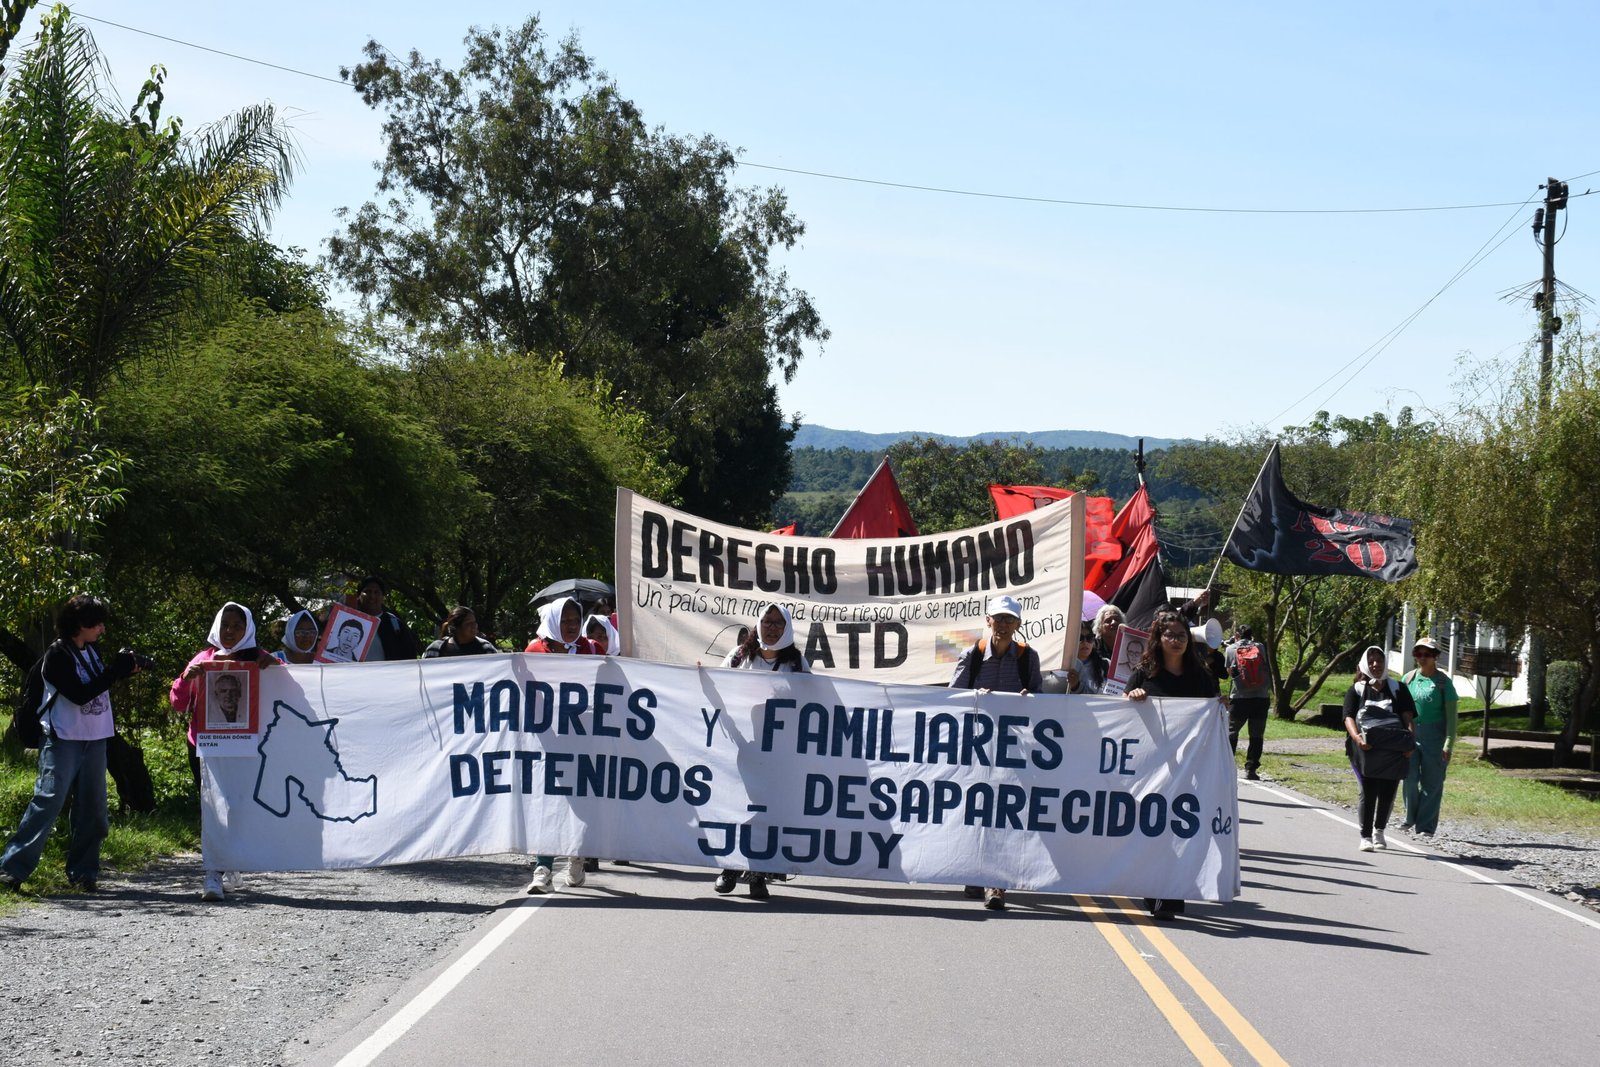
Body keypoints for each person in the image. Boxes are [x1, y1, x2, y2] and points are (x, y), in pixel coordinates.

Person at [1, 595, 143, 894]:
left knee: (93, 810)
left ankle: (83, 872)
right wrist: (114, 671)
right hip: (63, 739)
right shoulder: (57, 655)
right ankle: (11, 870)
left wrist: (122, 670)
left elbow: (97, 686)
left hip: (95, 739)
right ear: (81, 624)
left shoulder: (90, 650)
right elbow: (80, 694)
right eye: (98, 624)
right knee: (48, 802)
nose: (102, 630)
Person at [171, 601, 279, 901]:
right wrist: (186, 678)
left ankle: (231, 860)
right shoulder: (204, 659)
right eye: (226, 625)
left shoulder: (260, 659)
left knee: (241, 806)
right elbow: (178, 703)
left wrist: (276, 669)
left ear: (248, 629)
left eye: (237, 626)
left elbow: (289, 693)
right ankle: (213, 874)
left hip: (247, 750)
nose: (230, 632)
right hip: (206, 748)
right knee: (213, 809)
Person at [1124, 608, 1222, 920]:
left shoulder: (1200, 677)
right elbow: (1121, 710)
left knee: (1178, 830)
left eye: (1181, 635)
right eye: (1170, 635)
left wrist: (1221, 706)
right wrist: (1133, 696)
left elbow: (1213, 709)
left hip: (1188, 767)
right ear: (1159, 638)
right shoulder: (1144, 672)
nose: (1176, 640)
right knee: (1152, 830)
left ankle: (1169, 896)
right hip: (1151, 765)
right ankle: (1152, 889)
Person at [949, 594, 1042, 911]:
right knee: (976, 813)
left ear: (1018, 624)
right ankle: (976, 872)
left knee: (1004, 815)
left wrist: (1030, 698)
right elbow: (953, 700)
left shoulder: (1028, 658)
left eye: (1009, 619)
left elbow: (1042, 705)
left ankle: (996, 884)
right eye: (998, 618)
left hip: (1014, 750)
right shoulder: (971, 655)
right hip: (977, 748)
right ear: (988, 621)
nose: (1003, 625)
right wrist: (976, 697)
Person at [713, 603, 810, 900]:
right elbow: (717, 688)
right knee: (737, 807)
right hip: (741, 748)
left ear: (787, 628)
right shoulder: (740, 656)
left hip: (777, 754)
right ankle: (729, 866)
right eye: (767, 621)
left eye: (778, 623)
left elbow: (813, 702)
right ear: (759, 624)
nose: (772, 628)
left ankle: (758, 874)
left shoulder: (797, 665)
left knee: (765, 812)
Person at [522, 596, 594, 892]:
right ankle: (542, 869)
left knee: (582, 803)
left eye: (575, 621)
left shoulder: (592, 649)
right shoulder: (534, 650)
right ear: (553, 620)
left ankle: (576, 857)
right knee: (548, 803)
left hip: (585, 737)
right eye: (564, 620)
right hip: (547, 738)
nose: (570, 626)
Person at [1342, 645, 1417, 853]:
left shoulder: (1398, 688)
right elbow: (1348, 717)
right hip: (1364, 749)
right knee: (1368, 791)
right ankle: (1365, 835)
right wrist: (1357, 738)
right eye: (1372, 661)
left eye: (1380, 661)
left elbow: (1408, 718)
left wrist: (1410, 742)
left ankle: (1379, 831)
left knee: (1388, 792)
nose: (1376, 665)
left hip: (1394, 750)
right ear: (1365, 664)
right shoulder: (1357, 689)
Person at [1401, 636, 1457, 837]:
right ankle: (1409, 817)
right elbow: (1400, 709)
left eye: (1427, 654)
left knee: (1431, 783)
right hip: (1411, 734)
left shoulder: (1443, 683)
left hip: (1435, 737)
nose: (1422, 658)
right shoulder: (1408, 679)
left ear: (1435, 656)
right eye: (1418, 654)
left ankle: (1425, 827)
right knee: (1408, 777)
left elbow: (1452, 718)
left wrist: (1448, 744)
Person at [1225, 624, 1272, 781]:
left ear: (1237, 635)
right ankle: (1251, 769)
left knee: (1232, 731)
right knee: (1256, 734)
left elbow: (1229, 672)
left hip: (1239, 698)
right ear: (1251, 635)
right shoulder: (1260, 647)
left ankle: (1227, 767)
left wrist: (1231, 644)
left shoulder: (1231, 649)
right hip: (1261, 697)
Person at [353, 575, 421, 660]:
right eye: (367, 592)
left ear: (383, 597)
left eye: (376, 592)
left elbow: (410, 658)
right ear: (359, 596)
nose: (372, 596)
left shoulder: (395, 624)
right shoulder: (348, 620)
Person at [423, 606, 500, 657]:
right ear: (456, 627)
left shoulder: (487, 648)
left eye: (474, 622)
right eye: (469, 623)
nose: (474, 626)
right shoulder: (435, 649)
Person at [1070, 621, 1106, 694]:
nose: (1085, 642)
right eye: (1080, 638)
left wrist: (1076, 686)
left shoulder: (1105, 664)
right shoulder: (1064, 666)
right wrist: (1075, 687)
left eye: (1089, 638)